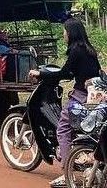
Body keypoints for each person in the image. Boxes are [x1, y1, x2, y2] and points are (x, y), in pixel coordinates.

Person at [29, 18, 102, 188]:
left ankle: (65, 172)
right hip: (96, 95)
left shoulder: (75, 51)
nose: (63, 34)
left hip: (82, 96)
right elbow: (75, 73)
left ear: (71, 33)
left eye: (64, 31)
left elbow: (64, 73)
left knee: (62, 129)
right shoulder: (89, 50)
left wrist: (39, 74)